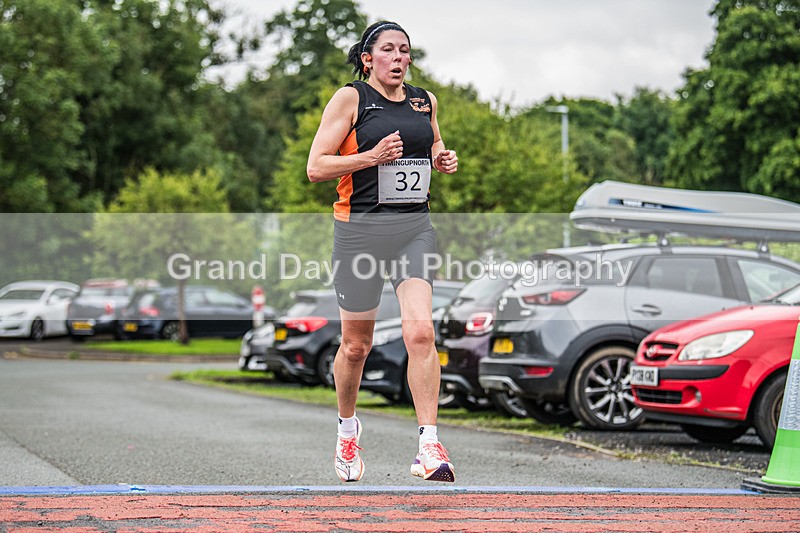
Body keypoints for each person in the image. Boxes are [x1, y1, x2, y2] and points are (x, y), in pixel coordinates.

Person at [307, 20, 459, 483]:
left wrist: (442, 158)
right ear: (368, 58)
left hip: (413, 229)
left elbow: (432, 145)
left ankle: (429, 446)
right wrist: (370, 157)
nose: (399, 58)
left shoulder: (424, 100)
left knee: (421, 333)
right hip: (359, 233)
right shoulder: (351, 98)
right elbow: (316, 167)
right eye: (389, 50)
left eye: (405, 51)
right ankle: (347, 430)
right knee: (357, 346)